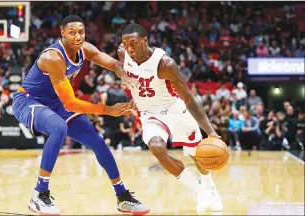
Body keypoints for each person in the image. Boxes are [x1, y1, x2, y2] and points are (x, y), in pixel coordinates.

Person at [12, 15, 149, 215]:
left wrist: (125, 74)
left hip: (55, 103)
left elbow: (112, 63)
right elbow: (70, 102)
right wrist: (107, 110)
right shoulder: (53, 57)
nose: (78, 36)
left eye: (81, 32)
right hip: (29, 101)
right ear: (62, 33)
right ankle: (39, 194)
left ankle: (122, 196)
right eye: (72, 32)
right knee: (59, 127)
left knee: (98, 142)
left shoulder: (85, 49)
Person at [117, 23, 223, 213]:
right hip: (149, 113)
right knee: (157, 147)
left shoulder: (165, 64)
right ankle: (200, 191)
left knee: (196, 153)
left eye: (133, 43)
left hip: (174, 109)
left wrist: (211, 132)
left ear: (145, 40)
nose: (129, 48)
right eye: (125, 44)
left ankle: (209, 184)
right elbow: (118, 66)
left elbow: (189, 98)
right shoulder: (123, 53)